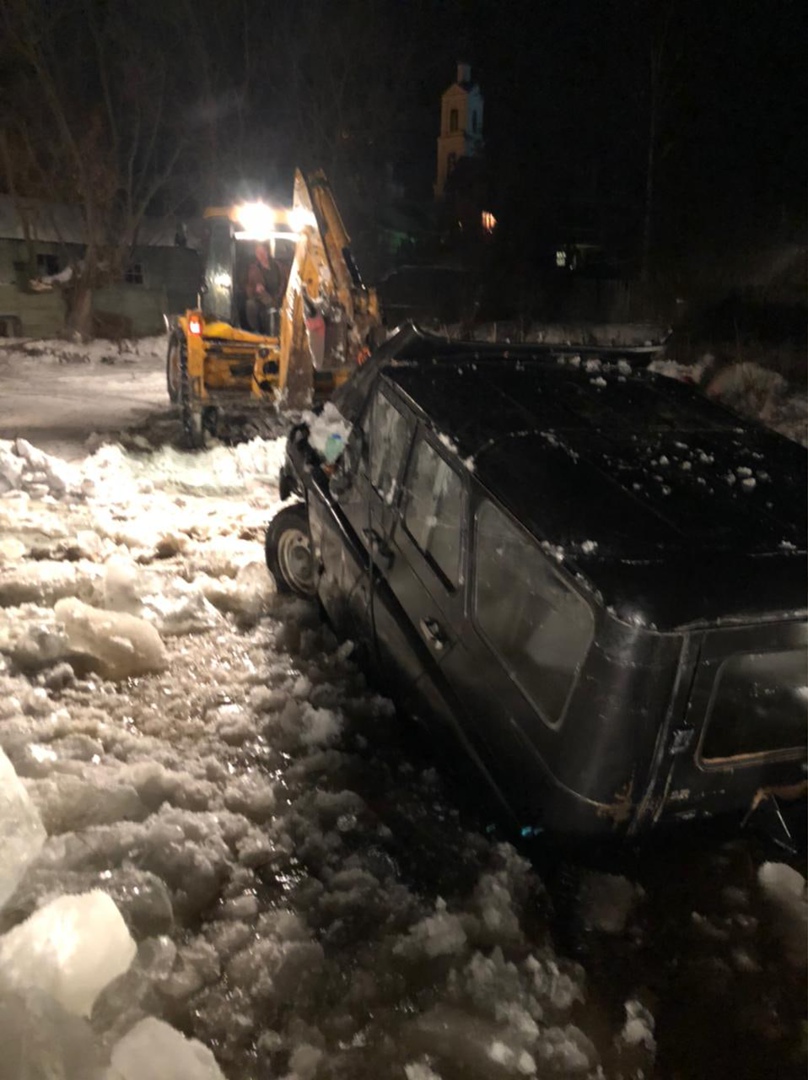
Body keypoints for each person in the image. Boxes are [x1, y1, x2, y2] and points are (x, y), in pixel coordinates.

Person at [245, 243, 283, 333]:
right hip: (262, 299)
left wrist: (278, 297)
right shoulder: (254, 269)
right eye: (258, 253)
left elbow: (284, 282)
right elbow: (248, 288)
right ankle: (256, 331)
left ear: (267, 252)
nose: (261, 255)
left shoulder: (278, 266)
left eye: (262, 252)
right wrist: (255, 289)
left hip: (278, 297)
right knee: (250, 304)